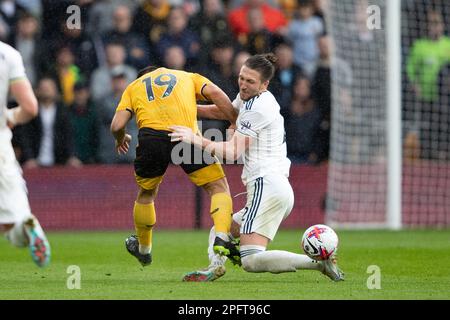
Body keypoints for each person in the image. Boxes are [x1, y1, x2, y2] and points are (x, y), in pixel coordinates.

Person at [169, 53, 344, 282]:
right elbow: (226, 112)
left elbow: (233, 152)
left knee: (251, 260)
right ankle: (215, 267)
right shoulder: (249, 99)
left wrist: (195, 139)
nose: (243, 84)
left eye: (250, 81)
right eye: (242, 77)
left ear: (264, 84)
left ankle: (318, 264)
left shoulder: (258, 107)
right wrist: (188, 108)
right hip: (275, 187)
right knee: (222, 229)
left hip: (266, 183)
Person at [110, 65, 238, 268]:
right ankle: (222, 237)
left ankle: (144, 249)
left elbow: (116, 126)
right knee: (217, 187)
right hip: (185, 133)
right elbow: (215, 92)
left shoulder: (134, 87)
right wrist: (234, 120)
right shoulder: (187, 76)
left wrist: (120, 139)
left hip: (151, 139)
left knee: (146, 193)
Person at [0, 40, 50, 267]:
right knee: (13, 220)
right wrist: (9, 117)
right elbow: (30, 108)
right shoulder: (8, 54)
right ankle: (27, 224)